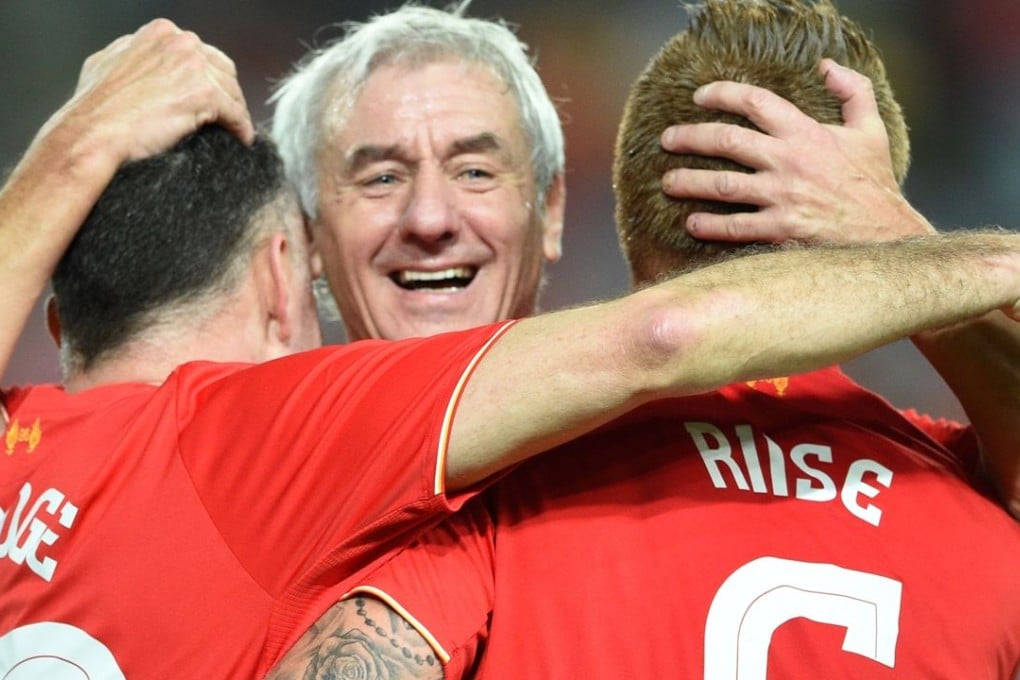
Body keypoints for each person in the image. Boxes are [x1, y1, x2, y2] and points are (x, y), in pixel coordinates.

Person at [7, 16, 1018, 679]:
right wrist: (903, 234)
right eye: (378, 176)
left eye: (476, 169)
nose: (432, 216)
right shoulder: (976, 510)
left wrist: (65, 159)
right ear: (303, 247)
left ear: (558, 218)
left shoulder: (489, 524)